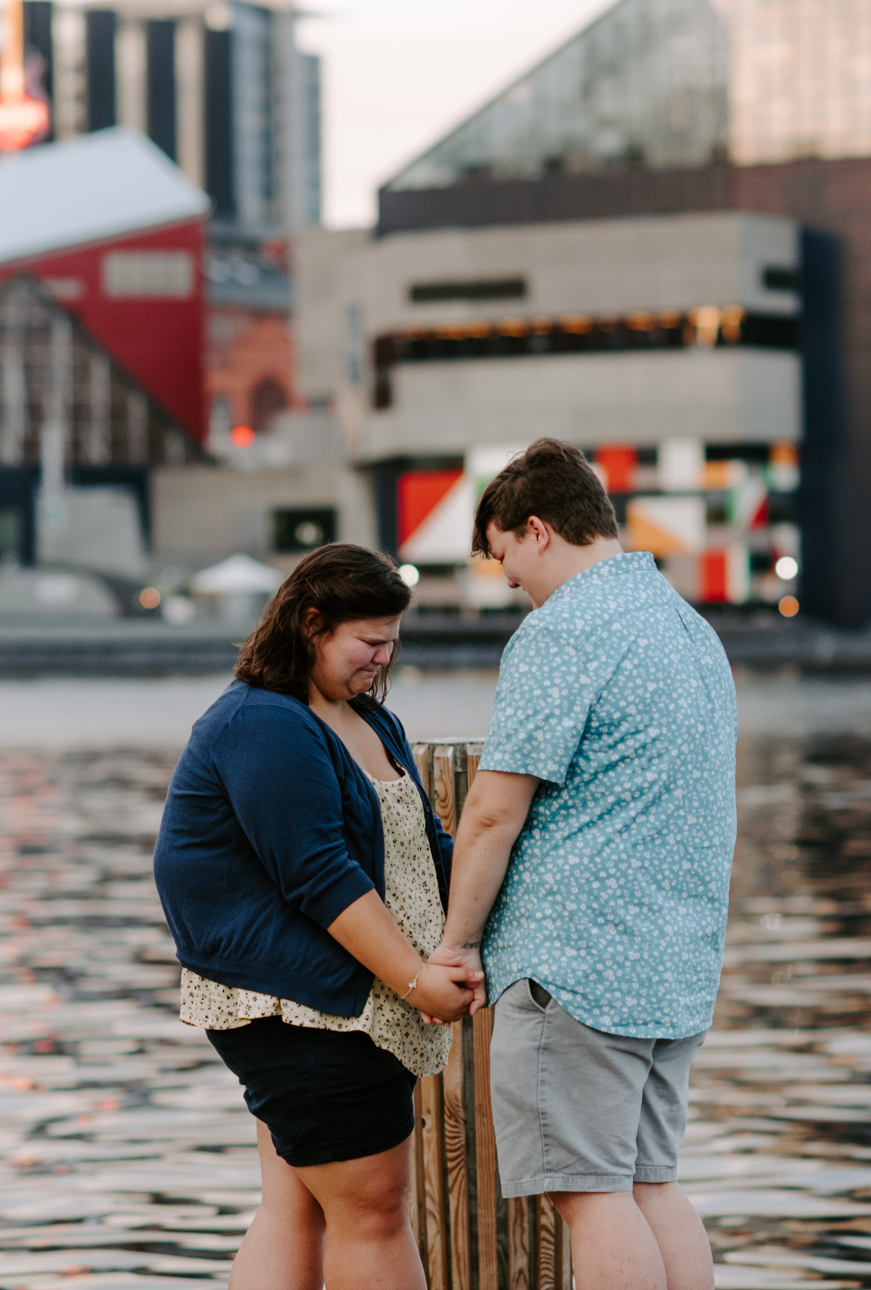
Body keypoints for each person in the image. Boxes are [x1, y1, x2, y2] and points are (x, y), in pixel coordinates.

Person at [433, 438, 738, 1290]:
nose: (508, 581)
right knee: (650, 1183)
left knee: (588, 1193)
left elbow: (493, 809)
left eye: (503, 556)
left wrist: (456, 945)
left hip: (577, 964)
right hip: (675, 962)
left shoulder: (562, 631)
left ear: (537, 530)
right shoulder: (688, 627)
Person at [153, 543, 482, 1290]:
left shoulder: (366, 718)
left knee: (295, 1205)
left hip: (339, 1003)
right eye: (369, 641)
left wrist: (475, 931)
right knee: (373, 1213)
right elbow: (319, 874)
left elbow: (425, 846)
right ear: (310, 624)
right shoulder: (265, 723)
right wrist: (417, 980)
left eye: (393, 641)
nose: (383, 657)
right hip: (306, 1008)